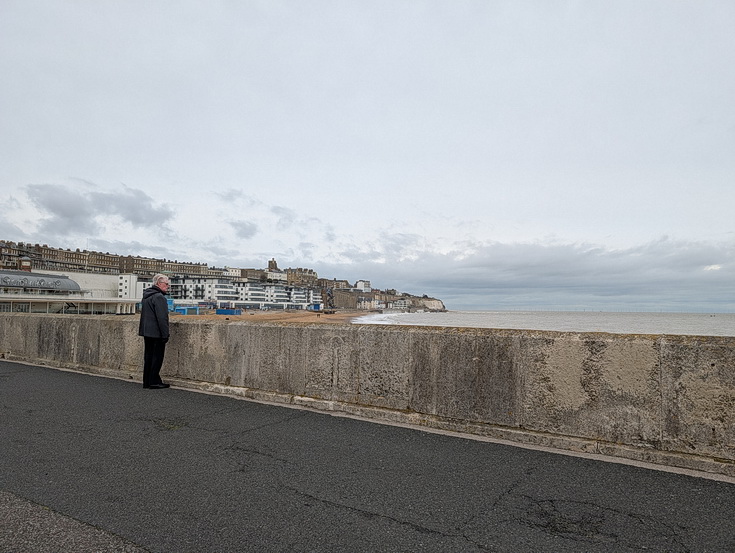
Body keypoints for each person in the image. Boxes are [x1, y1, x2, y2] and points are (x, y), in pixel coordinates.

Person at [138, 274, 171, 389]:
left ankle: (147, 381)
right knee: (157, 357)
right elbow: (162, 318)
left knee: (148, 357)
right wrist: (165, 334)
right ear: (158, 284)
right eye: (166, 284)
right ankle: (154, 381)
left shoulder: (147, 296)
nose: (168, 286)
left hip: (147, 331)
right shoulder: (159, 297)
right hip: (156, 332)